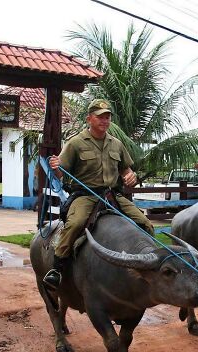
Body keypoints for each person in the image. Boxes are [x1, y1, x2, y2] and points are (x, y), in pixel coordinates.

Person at [43, 98, 155, 287]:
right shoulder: (75, 143)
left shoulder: (116, 144)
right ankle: (57, 268)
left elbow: (126, 170)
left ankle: (152, 265)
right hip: (85, 195)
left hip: (112, 195)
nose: (105, 120)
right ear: (89, 118)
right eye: (100, 117)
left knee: (145, 223)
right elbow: (61, 173)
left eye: (107, 117)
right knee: (75, 223)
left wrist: (131, 176)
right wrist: (55, 167)